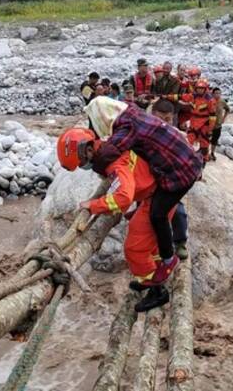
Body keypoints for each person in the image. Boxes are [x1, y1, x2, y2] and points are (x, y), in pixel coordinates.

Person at [85, 97, 203, 284]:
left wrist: (96, 164)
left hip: (180, 172)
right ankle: (160, 262)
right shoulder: (132, 113)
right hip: (177, 165)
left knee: (158, 215)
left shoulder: (127, 128)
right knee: (154, 215)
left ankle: (168, 259)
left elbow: (110, 152)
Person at [56, 128, 171, 312]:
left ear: (88, 150)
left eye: (82, 162)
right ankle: (153, 274)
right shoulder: (111, 150)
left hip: (157, 196)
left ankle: (157, 290)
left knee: (134, 248)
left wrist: (93, 205)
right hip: (158, 192)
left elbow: (124, 197)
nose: (83, 166)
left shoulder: (114, 164)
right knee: (147, 239)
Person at [152, 99, 189, 260]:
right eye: (159, 118)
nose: (163, 122)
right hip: (151, 179)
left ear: (172, 118)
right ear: (153, 116)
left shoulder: (178, 135)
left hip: (171, 180)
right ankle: (155, 245)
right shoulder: (146, 133)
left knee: (178, 211)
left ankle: (180, 242)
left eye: (167, 119)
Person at [165, 78, 216, 164]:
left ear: (205, 89)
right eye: (198, 88)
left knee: (204, 143)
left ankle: (203, 161)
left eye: (202, 88)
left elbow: (213, 116)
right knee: (189, 141)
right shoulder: (193, 96)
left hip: (204, 123)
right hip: (193, 121)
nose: (200, 90)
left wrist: (210, 129)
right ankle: (187, 158)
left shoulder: (210, 100)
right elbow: (180, 96)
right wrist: (167, 96)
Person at [210, 87, 230, 161]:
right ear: (212, 94)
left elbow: (228, 109)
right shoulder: (210, 101)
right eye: (216, 93)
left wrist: (224, 118)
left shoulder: (222, 102)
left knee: (214, 140)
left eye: (219, 93)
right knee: (206, 139)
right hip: (209, 124)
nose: (217, 95)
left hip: (218, 124)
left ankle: (212, 153)